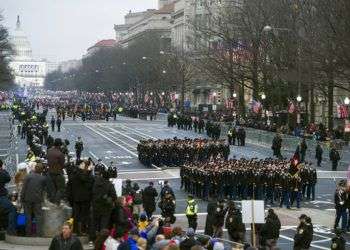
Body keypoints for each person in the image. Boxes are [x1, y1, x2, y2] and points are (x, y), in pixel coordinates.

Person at [66, 160, 94, 236]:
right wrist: (88, 171)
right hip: (83, 198)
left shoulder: (74, 173)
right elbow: (84, 180)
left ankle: (74, 229)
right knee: (82, 216)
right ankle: (81, 230)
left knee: (75, 215)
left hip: (75, 198)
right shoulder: (82, 174)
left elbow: (69, 185)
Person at [20, 163, 46, 236]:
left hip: (27, 199)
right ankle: (39, 233)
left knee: (28, 216)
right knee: (38, 216)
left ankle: (28, 233)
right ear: (41, 170)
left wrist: (22, 199)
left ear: (35, 168)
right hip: (37, 200)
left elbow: (24, 189)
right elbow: (44, 190)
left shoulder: (28, 176)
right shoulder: (43, 178)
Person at [47, 138, 65, 205]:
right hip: (57, 173)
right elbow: (62, 165)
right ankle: (57, 202)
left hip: (50, 172)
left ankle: (52, 201)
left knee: (52, 189)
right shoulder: (60, 154)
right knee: (61, 188)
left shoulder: (49, 151)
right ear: (60, 145)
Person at [0, 160, 17, 235]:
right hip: (1, 197)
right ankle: (11, 231)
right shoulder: (2, 173)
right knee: (12, 209)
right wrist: (2, 169)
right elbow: (8, 178)